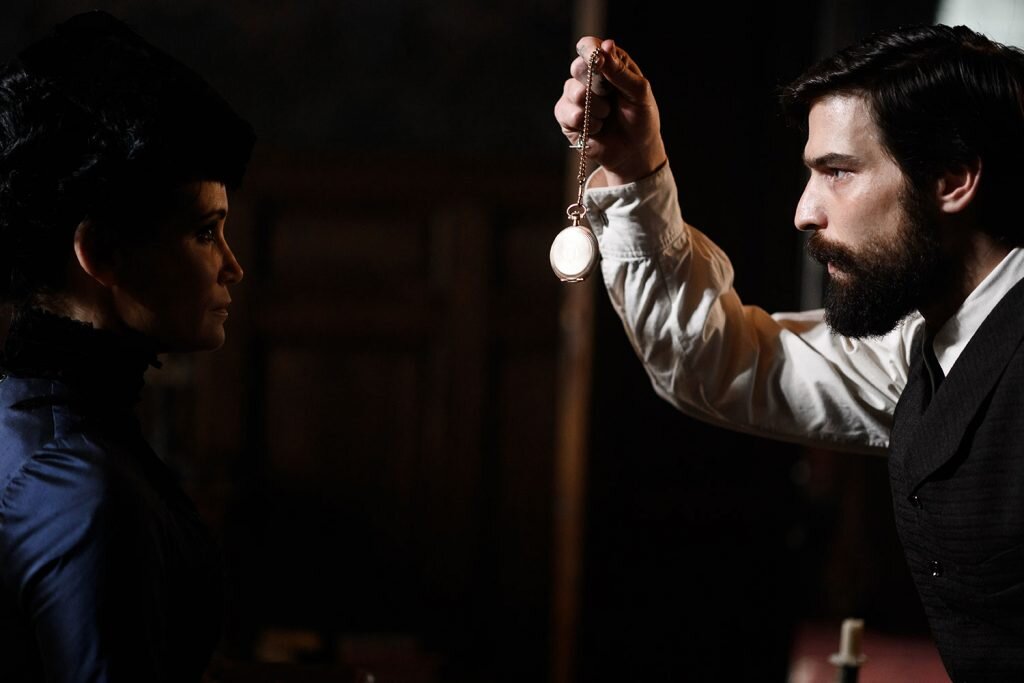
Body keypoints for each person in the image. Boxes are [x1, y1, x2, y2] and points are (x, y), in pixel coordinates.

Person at [555, 25, 1024, 681]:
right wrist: (635, 168)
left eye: (838, 172)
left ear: (952, 178)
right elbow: (720, 360)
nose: (805, 212)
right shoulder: (924, 350)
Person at [0, 10, 254, 682]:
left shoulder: (41, 419)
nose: (232, 267)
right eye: (205, 232)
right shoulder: (81, 486)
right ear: (102, 253)